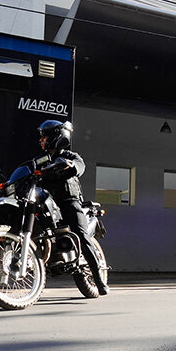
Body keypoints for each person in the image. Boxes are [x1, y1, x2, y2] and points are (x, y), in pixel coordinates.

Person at [37, 119, 110, 296]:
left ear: (56, 137)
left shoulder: (70, 156)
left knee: (82, 236)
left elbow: (79, 167)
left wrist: (71, 167)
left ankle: (99, 281)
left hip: (69, 202)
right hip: (49, 206)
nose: (40, 141)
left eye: (44, 137)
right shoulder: (41, 162)